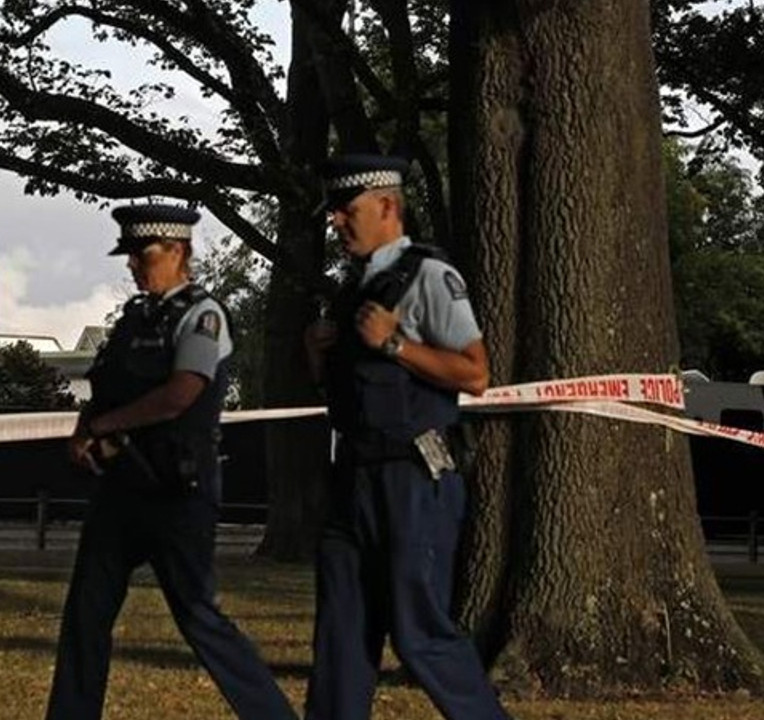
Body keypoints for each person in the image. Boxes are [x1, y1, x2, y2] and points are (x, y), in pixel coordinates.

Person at [45, 203, 297, 720]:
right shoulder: (135, 317)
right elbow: (104, 388)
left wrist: (106, 427)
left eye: (144, 253)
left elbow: (181, 394)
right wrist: (82, 430)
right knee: (86, 615)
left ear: (178, 251)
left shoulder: (202, 315)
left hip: (177, 490)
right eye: (130, 255)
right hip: (121, 488)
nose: (134, 265)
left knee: (197, 616)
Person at [302, 154, 512, 720]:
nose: (337, 223)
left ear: (388, 206)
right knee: (342, 638)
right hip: (353, 479)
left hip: (414, 479)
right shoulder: (351, 291)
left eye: (348, 211)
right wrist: (319, 358)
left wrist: (396, 344)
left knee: (420, 636)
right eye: (334, 213)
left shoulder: (431, 277)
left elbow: (476, 374)